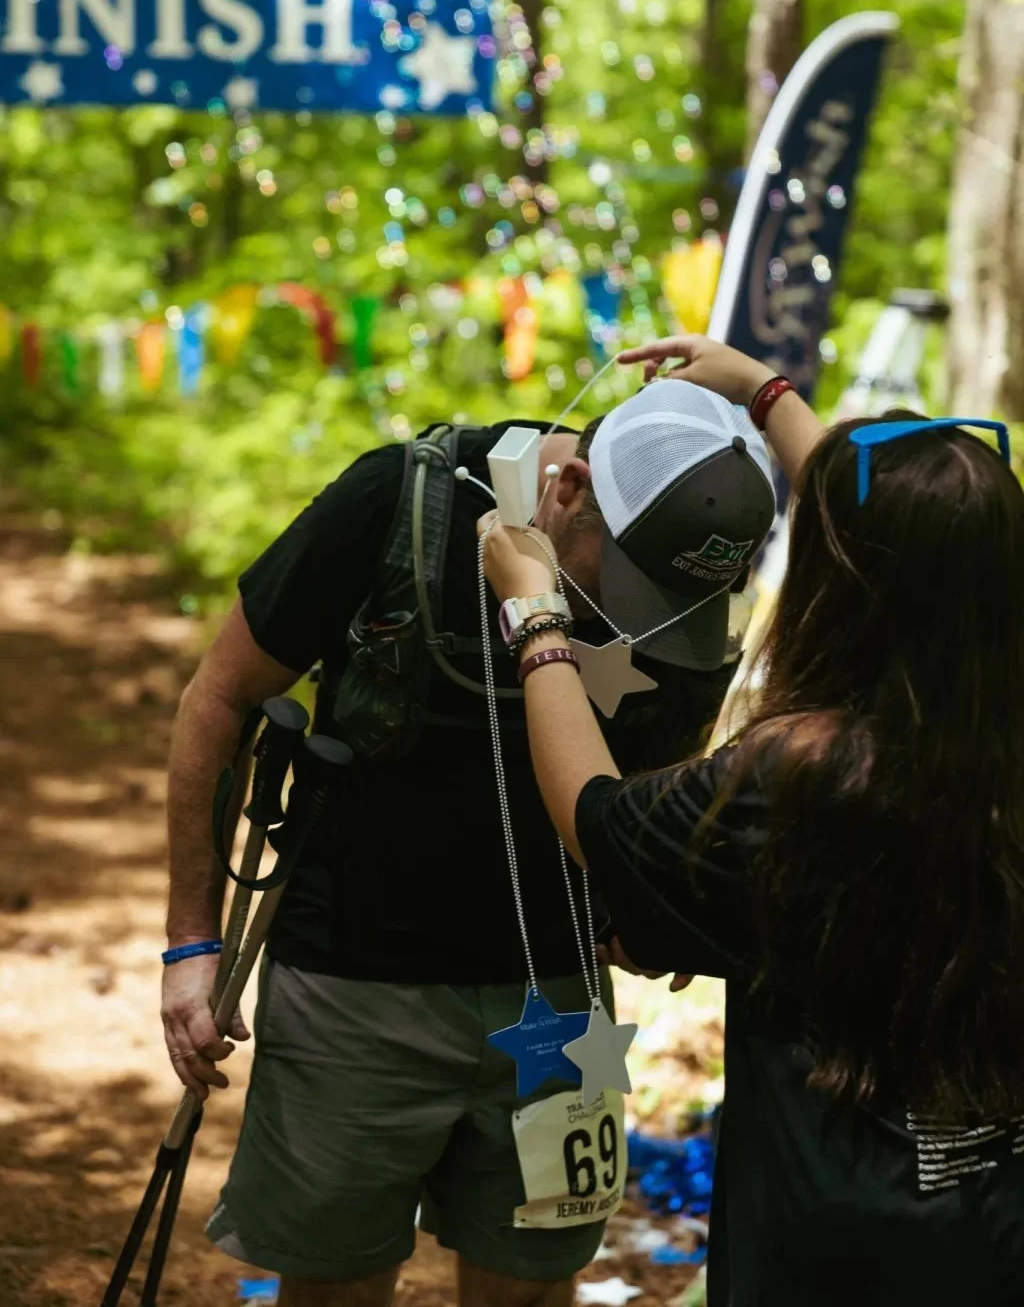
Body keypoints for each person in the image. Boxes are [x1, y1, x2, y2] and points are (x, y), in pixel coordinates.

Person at [161, 384, 776, 1307]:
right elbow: (220, 694)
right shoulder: (398, 503)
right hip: (356, 988)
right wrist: (191, 942)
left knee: (530, 1291)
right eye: (629, 583)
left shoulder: (691, 576)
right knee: (334, 1291)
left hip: (563, 1009)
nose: (641, 619)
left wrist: (662, 898)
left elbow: (662, 763)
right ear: (567, 489)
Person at [481, 333, 1024, 1307]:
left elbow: (596, 821)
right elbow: (916, 550)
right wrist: (761, 390)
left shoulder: (805, 771)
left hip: (830, 1245)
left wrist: (536, 620)